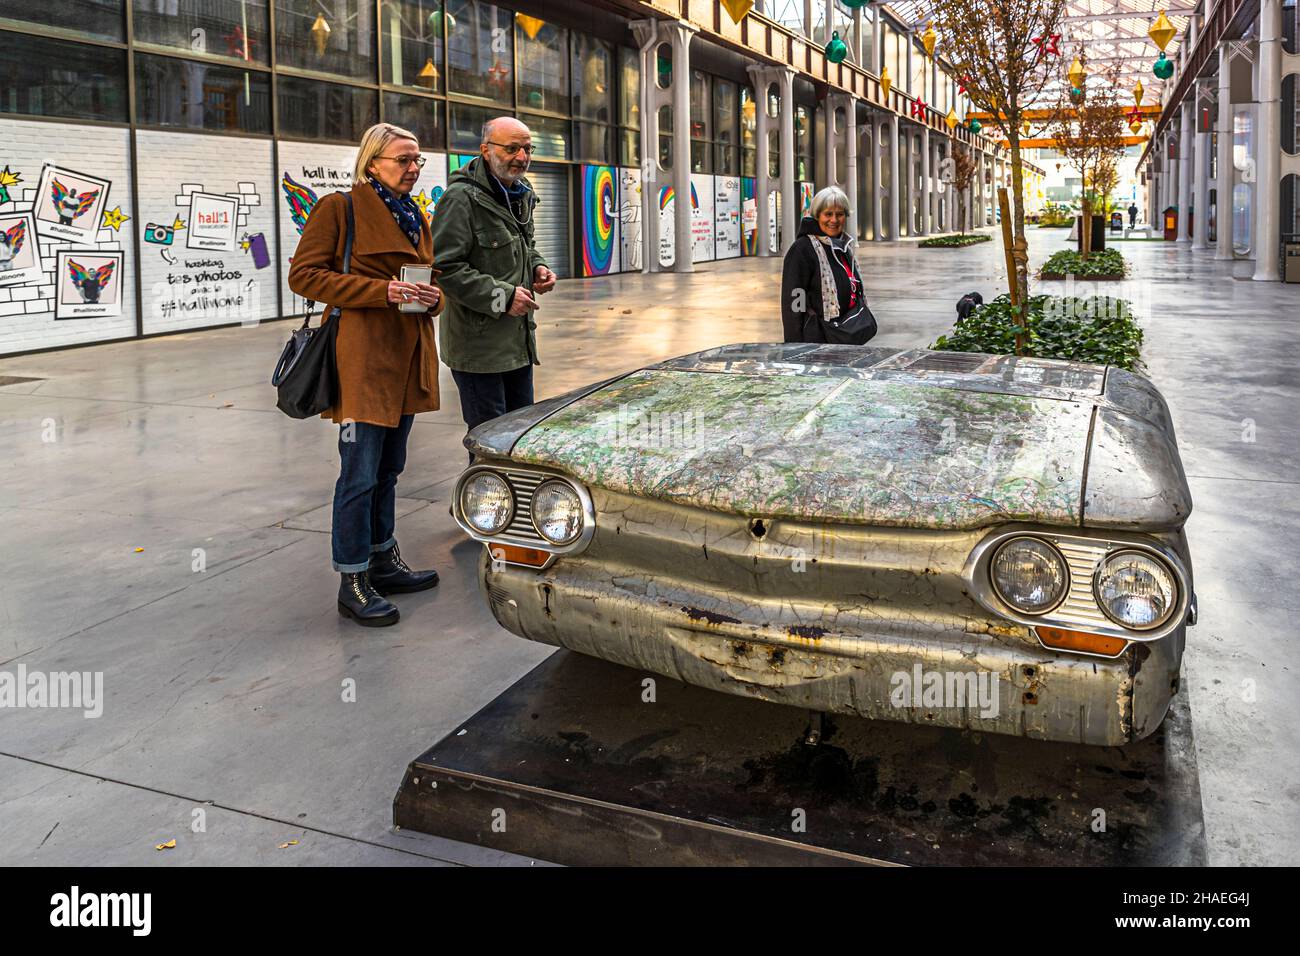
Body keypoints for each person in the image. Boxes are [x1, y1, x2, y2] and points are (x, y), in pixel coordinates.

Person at [288, 122, 444, 628]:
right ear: (372, 162)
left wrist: (433, 297)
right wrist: (383, 293)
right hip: (363, 363)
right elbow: (304, 275)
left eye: (417, 160)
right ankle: (352, 580)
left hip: (406, 359)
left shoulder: (415, 214)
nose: (414, 168)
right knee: (358, 473)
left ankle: (383, 557)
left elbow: (427, 275)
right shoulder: (340, 208)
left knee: (390, 468)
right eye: (403, 159)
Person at [430, 117, 557, 459]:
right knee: (490, 445)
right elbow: (444, 268)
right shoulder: (461, 199)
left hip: (517, 344)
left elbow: (524, 245)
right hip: (479, 351)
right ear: (485, 150)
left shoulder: (520, 192)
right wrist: (503, 297)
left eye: (527, 149)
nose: (521, 156)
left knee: (520, 438)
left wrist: (538, 266)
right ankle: (483, 509)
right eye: (511, 148)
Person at [781, 186, 876, 345]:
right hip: (817, 340)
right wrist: (794, 346)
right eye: (828, 214)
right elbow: (794, 302)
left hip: (844, 335)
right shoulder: (803, 249)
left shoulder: (843, 246)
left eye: (839, 214)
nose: (834, 220)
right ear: (817, 216)